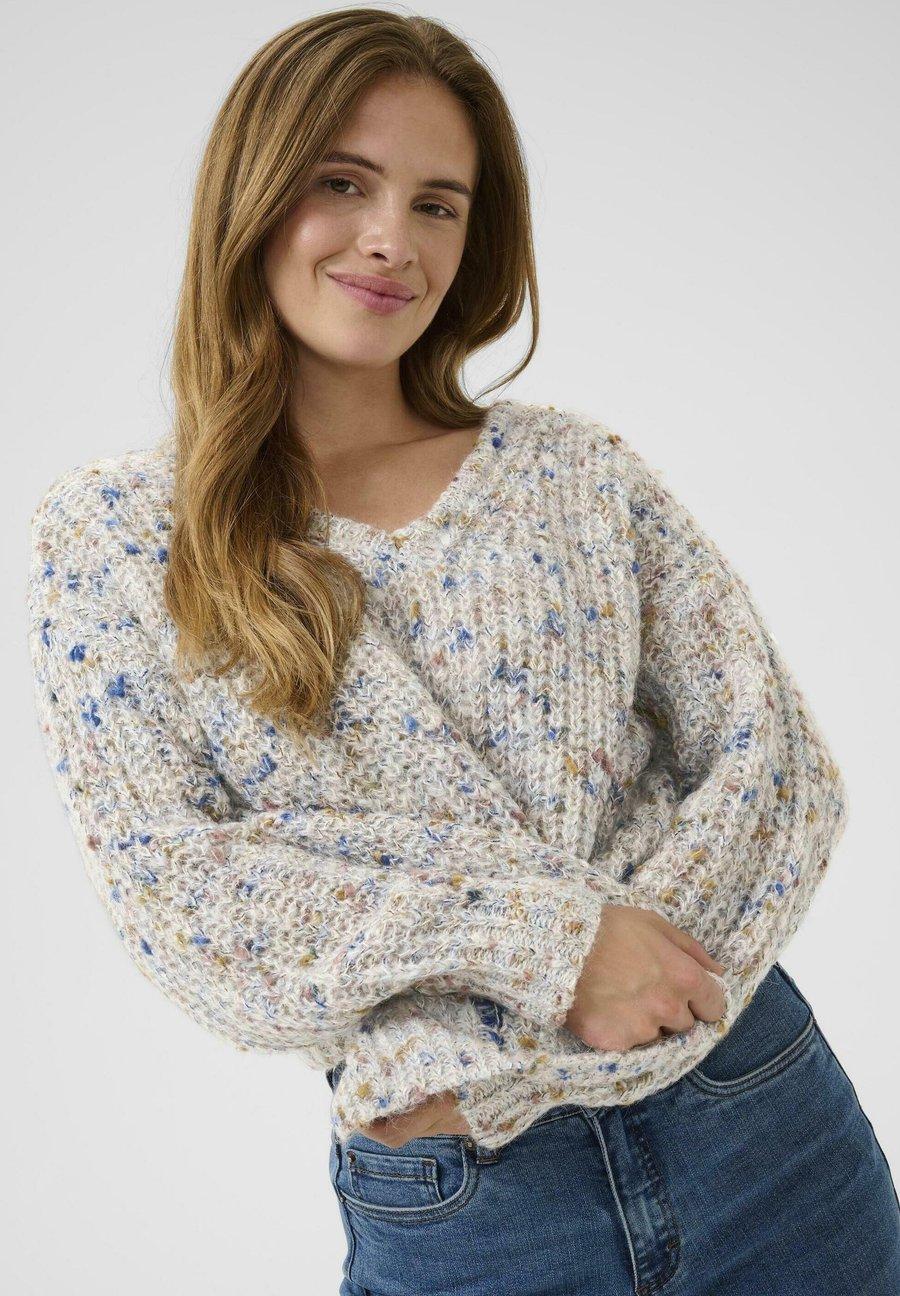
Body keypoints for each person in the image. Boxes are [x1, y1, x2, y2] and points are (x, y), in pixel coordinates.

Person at [26, 9, 900, 1293]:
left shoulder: (573, 475)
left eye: (438, 204)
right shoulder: (115, 538)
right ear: (254, 195)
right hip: (474, 1209)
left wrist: (634, 976)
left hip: (760, 1131)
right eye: (344, 184)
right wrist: (557, 945)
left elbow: (776, 769)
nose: (394, 238)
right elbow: (185, 896)